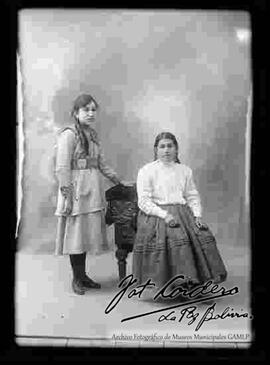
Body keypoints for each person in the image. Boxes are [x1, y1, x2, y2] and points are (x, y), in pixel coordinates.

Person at [132, 132, 227, 292]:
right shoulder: (147, 171)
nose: (166, 150)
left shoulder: (184, 170)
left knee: (202, 234)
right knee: (177, 237)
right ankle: (176, 283)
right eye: (162, 146)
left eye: (170, 146)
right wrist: (165, 215)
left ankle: (195, 282)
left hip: (183, 213)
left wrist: (197, 215)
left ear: (176, 149)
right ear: (156, 150)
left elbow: (192, 195)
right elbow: (144, 201)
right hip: (156, 215)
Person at [54, 93, 123, 295]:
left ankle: (83, 276)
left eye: (94, 109)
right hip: (74, 192)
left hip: (91, 190)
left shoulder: (92, 135)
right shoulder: (68, 135)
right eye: (86, 109)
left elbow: (101, 164)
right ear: (76, 112)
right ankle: (77, 278)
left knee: (83, 235)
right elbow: (61, 167)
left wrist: (118, 181)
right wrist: (66, 196)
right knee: (75, 235)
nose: (91, 113)